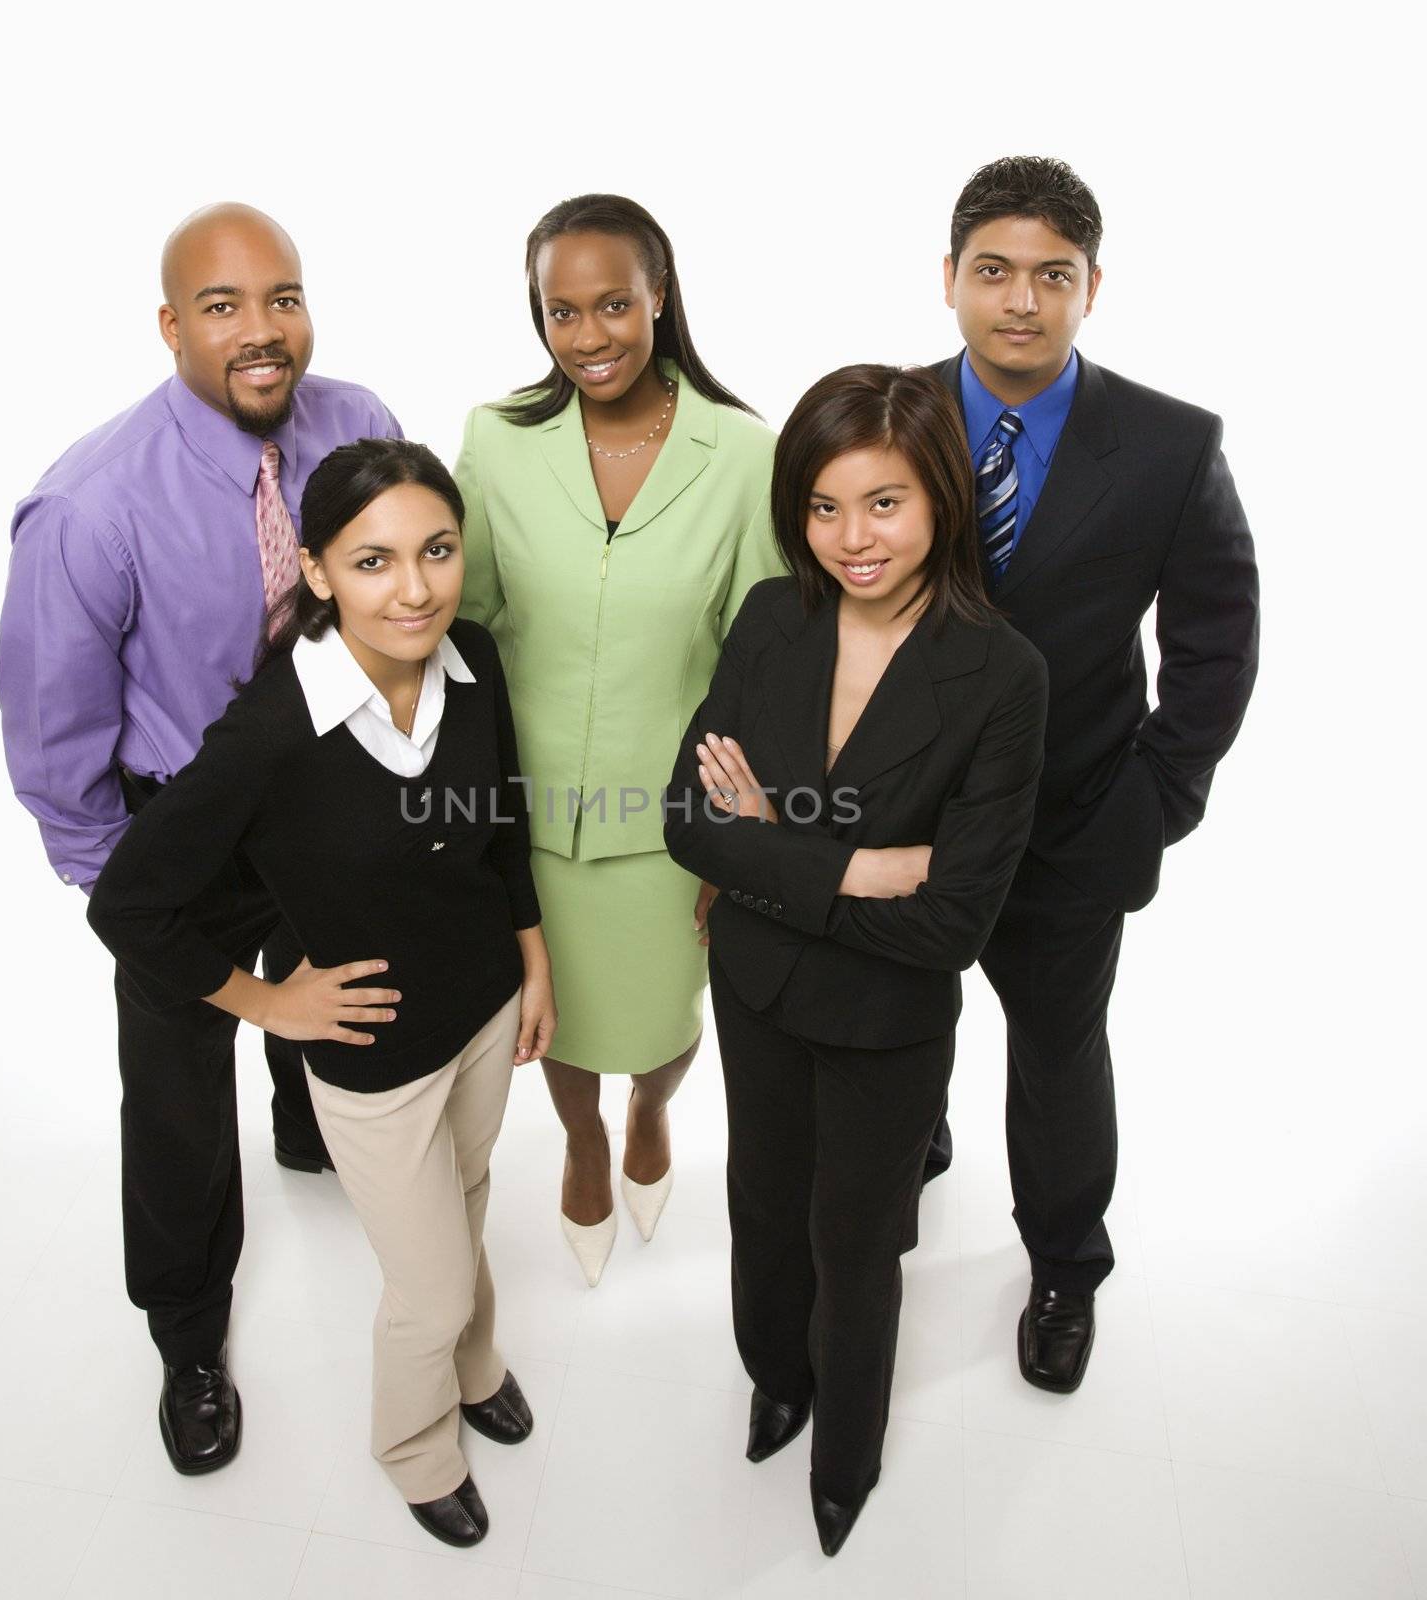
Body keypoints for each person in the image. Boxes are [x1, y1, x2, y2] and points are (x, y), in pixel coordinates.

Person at [87, 438, 557, 1548]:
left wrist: (533, 962)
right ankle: (415, 1444)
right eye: (374, 561)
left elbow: (504, 827)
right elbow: (130, 902)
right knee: (428, 1285)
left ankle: (477, 1365)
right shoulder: (269, 734)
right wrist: (265, 1004)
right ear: (315, 571)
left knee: (470, 1202)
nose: (415, 588)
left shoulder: (474, 657)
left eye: (437, 551)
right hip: (375, 1057)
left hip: (485, 1009)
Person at [0, 203, 402, 1473]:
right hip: (186, 816)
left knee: (336, 974)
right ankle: (187, 1335)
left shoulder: (360, 421)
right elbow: (52, 737)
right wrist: (132, 886)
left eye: (281, 296)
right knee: (174, 1088)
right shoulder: (90, 504)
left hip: (334, 778)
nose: (262, 330)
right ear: (171, 326)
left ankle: (303, 1118)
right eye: (223, 307)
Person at [665, 363, 1049, 1556]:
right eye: (824, 507)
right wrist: (849, 864)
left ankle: (848, 1450)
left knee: (859, 1234)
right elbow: (687, 818)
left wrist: (768, 849)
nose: (851, 537)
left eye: (883, 502)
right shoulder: (775, 618)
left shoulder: (1000, 675)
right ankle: (774, 1375)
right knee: (761, 1203)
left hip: (887, 1017)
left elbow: (950, 925)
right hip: (758, 992)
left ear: (937, 494)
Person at [928, 156, 1260, 1392]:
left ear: (1092, 287)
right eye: (995, 271)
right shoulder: (883, 415)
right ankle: (916, 1144)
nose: (1021, 300)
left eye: (1051, 276)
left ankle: (1065, 1261)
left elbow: (1216, 643)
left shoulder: (1170, 445)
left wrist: (1150, 809)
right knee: (902, 1020)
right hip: (903, 816)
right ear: (950, 280)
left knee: (1058, 1053)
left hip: (1073, 819)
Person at [453, 194, 784, 1284]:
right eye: (561, 311)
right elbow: (471, 620)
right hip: (533, 809)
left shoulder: (740, 453)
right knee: (559, 1019)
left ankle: (648, 1114)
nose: (588, 336)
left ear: (659, 298)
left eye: (612, 305)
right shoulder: (497, 442)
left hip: (672, 817)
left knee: (662, 1020)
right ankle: (587, 1139)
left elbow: (764, 656)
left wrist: (737, 838)